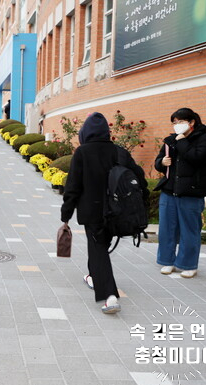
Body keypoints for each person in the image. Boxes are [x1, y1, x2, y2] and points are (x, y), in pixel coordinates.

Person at [61, 112, 148, 314]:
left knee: (98, 248)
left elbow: (73, 187)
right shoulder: (119, 152)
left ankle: (109, 296)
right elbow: (140, 179)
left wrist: (66, 215)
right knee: (99, 245)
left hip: (93, 212)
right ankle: (93, 276)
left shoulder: (82, 153)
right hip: (117, 211)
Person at [154, 108, 206, 278]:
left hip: (191, 193)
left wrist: (181, 141)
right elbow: (158, 162)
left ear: (192, 122)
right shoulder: (170, 140)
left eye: (180, 122)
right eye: (174, 122)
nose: (176, 126)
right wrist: (161, 162)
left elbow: (197, 158)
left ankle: (188, 264)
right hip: (169, 191)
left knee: (190, 230)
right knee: (167, 229)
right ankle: (167, 261)